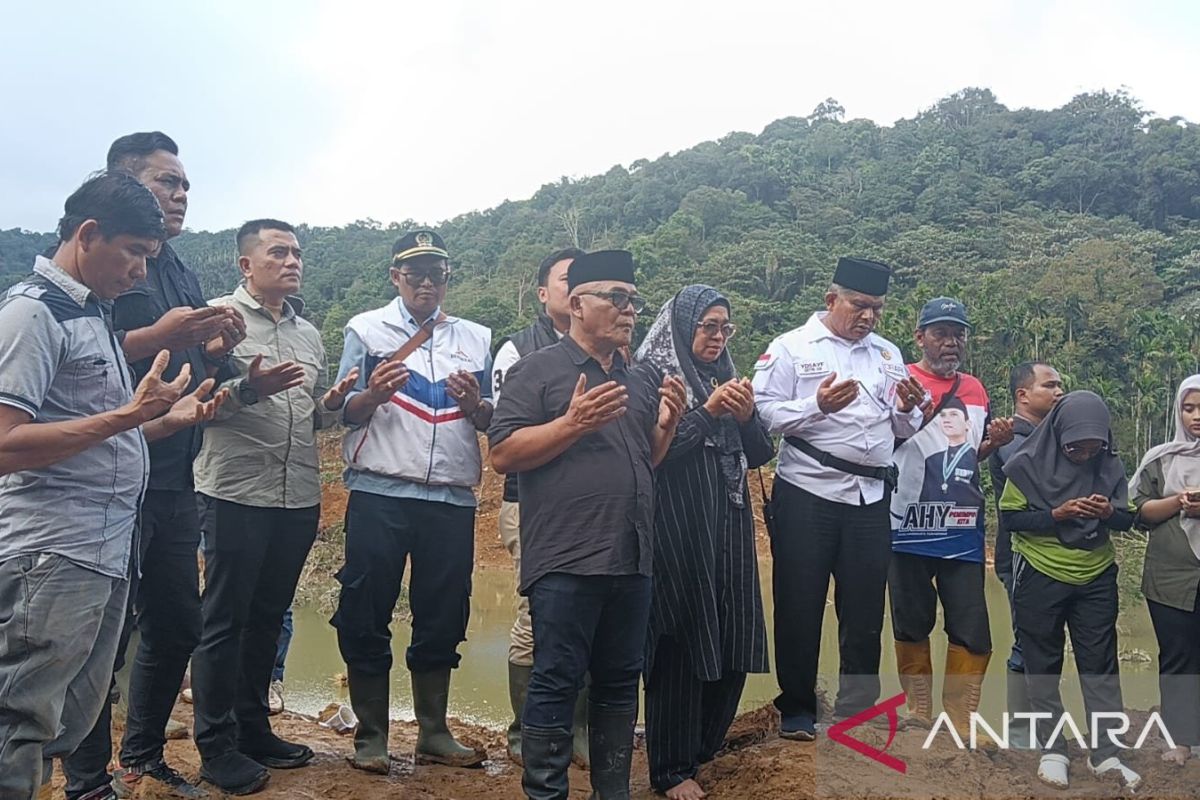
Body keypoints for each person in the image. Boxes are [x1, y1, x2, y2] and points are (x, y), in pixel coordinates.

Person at [0, 171, 224, 800]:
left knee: (60, 724)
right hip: (51, 552)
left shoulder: (91, 316)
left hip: (100, 553)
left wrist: (156, 420)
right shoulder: (33, 314)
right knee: (19, 721)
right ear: (88, 234)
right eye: (133, 255)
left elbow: (87, 435)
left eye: (149, 260)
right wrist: (129, 415)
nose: (140, 275)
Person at [66, 132, 246, 800]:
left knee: (176, 623)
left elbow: (191, 359)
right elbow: (90, 341)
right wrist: (163, 336)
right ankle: (86, 781)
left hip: (174, 475)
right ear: (123, 188)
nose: (179, 196)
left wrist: (220, 352)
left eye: (185, 186)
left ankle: (138, 757)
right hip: (109, 475)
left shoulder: (179, 268)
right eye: (166, 182)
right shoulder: (97, 266)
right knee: (103, 638)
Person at [488, 249, 686, 800]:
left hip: (632, 555)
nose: (629, 311)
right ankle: (547, 792)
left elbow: (645, 459)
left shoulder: (642, 378)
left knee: (621, 682)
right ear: (576, 304)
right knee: (557, 676)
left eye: (634, 300)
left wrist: (666, 425)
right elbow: (503, 453)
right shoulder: (537, 371)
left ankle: (613, 792)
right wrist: (571, 424)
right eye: (616, 298)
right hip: (567, 557)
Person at [189, 219, 359, 793]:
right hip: (235, 488)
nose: (292, 262)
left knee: (268, 618)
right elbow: (194, 402)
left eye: (297, 253)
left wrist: (335, 403)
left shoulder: (309, 334)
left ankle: (254, 729)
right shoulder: (216, 319)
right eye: (278, 252)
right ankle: (214, 746)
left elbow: (312, 417)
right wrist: (246, 390)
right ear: (246, 264)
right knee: (224, 621)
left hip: (298, 493)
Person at [331, 230, 494, 774]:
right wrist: (372, 395)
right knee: (364, 610)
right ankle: (371, 736)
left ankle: (434, 732)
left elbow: (492, 417)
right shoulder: (365, 327)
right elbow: (343, 409)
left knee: (444, 613)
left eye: (436, 272)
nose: (427, 282)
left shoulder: (476, 337)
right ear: (395, 277)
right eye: (415, 272)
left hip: (451, 497)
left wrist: (477, 405)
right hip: (379, 490)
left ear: (449, 277)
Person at [752, 257, 929, 741]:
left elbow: (899, 428)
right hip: (808, 491)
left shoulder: (888, 355)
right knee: (799, 603)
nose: (868, 316)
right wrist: (816, 406)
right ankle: (797, 709)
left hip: (871, 496)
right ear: (832, 300)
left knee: (866, 608)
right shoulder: (791, 347)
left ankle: (856, 707)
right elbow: (762, 412)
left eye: (876, 308)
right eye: (859, 305)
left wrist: (909, 409)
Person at [636, 285, 773, 800]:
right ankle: (669, 768)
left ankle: (703, 750)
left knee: (735, 633)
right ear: (682, 326)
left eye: (724, 328)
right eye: (708, 327)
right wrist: (708, 411)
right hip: (679, 524)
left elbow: (758, 453)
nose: (717, 337)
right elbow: (657, 455)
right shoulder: (653, 376)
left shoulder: (724, 376)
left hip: (732, 526)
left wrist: (743, 414)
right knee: (681, 638)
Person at [1000, 391, 1141, 790]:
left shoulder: (1110, 466)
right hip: (1041, 574)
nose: (1083, 456)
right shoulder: (1026, 464)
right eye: (1075, 448)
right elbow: (1011, 519)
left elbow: (1127, 519)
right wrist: (1056, 515)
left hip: (1096, 574)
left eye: (1092, 449)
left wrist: (1108, 512)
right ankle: (1053, 749)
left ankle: (1106, 753)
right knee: (1042, 662)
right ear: (1058, 435)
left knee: (1100, 663)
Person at [888, 298, 1012, 737]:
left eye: (957, 333)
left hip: (962, 530)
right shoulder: (896, 379)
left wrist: (991, 446)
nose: (950, 342)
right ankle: (919, 714)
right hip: (905, 527)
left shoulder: (976, 390)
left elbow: (963, 455)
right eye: (940, 333)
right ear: (919, 337)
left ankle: (959, 719)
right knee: (910, 620)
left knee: (973, 627)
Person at [490, 246, 588, 766]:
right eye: (567, 279)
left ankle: (578, 732)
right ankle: (526, 732)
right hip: (530, 504)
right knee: (537, 613)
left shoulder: (613, 351)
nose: (577, 289)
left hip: (594, 508)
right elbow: (506, 440)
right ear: (544, 293)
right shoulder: (517, 351)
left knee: (590, 613)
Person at [987, 361, 1063, 745]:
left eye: (1060, 386)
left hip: (1052, 554)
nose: (1058, 392)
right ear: (1023, 395)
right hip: (1020, 554)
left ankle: (1040, 732)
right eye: (1049, 385)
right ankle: (1020, 735)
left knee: (1044, 641)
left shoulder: (1048, 435)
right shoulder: (1014, 438)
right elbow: (1036, 483)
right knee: (1027, 640)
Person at [1130, 375, 1200, 766]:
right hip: (1171, 576)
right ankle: (1181, 741)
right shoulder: (1161, 458)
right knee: (1177, 657)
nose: (1195, 416)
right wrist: (1178, 502)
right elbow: (1139, 511)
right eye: (1188, 408)